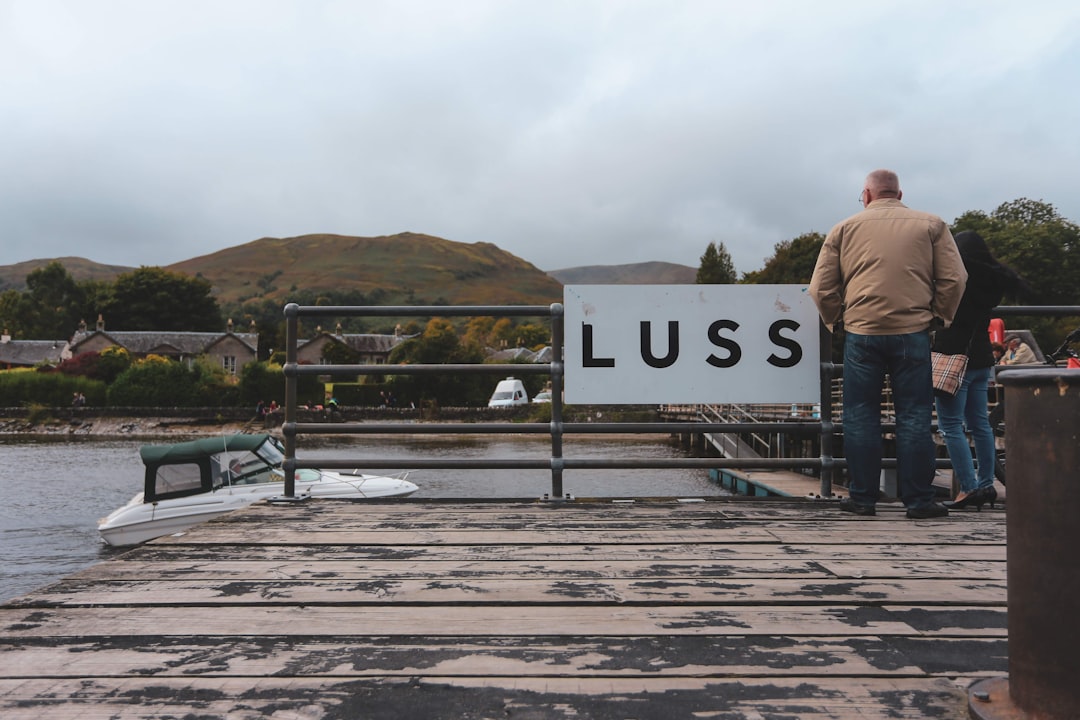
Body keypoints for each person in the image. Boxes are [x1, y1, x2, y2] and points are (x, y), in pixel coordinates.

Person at [809, 169, 967, 519]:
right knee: (913, 416)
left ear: (866, 194)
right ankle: (919, 501)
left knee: (859, 416)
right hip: (912, 331)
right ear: (898, 193)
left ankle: (863, 499)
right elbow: (955, 278)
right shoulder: (931, 225)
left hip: (862, 333)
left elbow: (820, 288)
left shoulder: (844, 228)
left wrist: (839, 319)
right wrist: (939, 315)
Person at [933, 231, 1025, 511]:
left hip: (953, 356)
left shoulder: (955, 280)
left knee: (950, 425)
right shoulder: (991, 282)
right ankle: (986, 484)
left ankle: (968, 488)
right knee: (980, 424)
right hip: (982, 359)